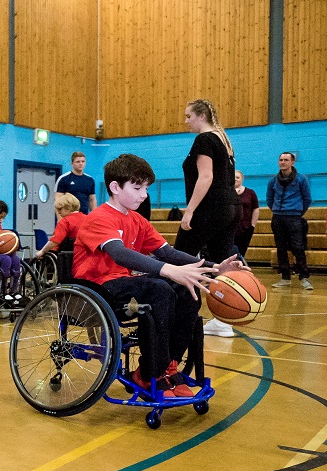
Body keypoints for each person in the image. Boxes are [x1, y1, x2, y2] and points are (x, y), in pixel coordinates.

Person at [73, 154, 244, 397]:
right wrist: (167, 270)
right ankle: (151, 372)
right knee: (159, 288)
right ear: (115, 187)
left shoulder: (137, 220)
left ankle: (167, 366)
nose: (144, 195)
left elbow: (167, 253)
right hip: (97, 288)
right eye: (137, 188)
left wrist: (215, 268)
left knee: (186, 287)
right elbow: (119, 253)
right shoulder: (98, 218)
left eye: (146, 188)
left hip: (125, 284)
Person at [174, 99, 239, 337]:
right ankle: (223, 321)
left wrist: (190, 210)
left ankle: (178, 315)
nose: (186, 121)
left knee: (180, 258)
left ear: (201, 116)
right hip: (231, 207)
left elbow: (206, 177)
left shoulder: (204, 139)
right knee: (221, 263)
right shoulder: (223, 139)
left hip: (211, 208)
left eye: (188, 116)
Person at [267, 152, 313, 290]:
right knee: (280, 248)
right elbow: (269, 198)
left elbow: (307, 198)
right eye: (280, 160)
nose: (282, 162)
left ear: (292, 162)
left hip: (294, 217)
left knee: (298, 247)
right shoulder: (273, 180)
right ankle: (285, 277)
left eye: (286, 160)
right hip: (278, 217)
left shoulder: (301, 179)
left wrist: (297, 212)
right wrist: (277, 210)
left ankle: (304, 277)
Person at [35, 193, 85, 258]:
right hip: (83, 254)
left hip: (65, 256)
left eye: (60, 209)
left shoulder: (65, 222)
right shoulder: (87, 219)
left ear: (67, 207)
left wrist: (42, 251)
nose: (58, 212)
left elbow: (55, 241)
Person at [233, 170, 260, 258]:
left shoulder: (250, 192)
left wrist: (252, 225)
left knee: (242, 251)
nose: (235, 179)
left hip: (245, 228)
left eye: (237, 177)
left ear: (242, 179)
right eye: (233, 177)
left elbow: (255, 209)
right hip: (230, 227)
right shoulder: (227, 192)